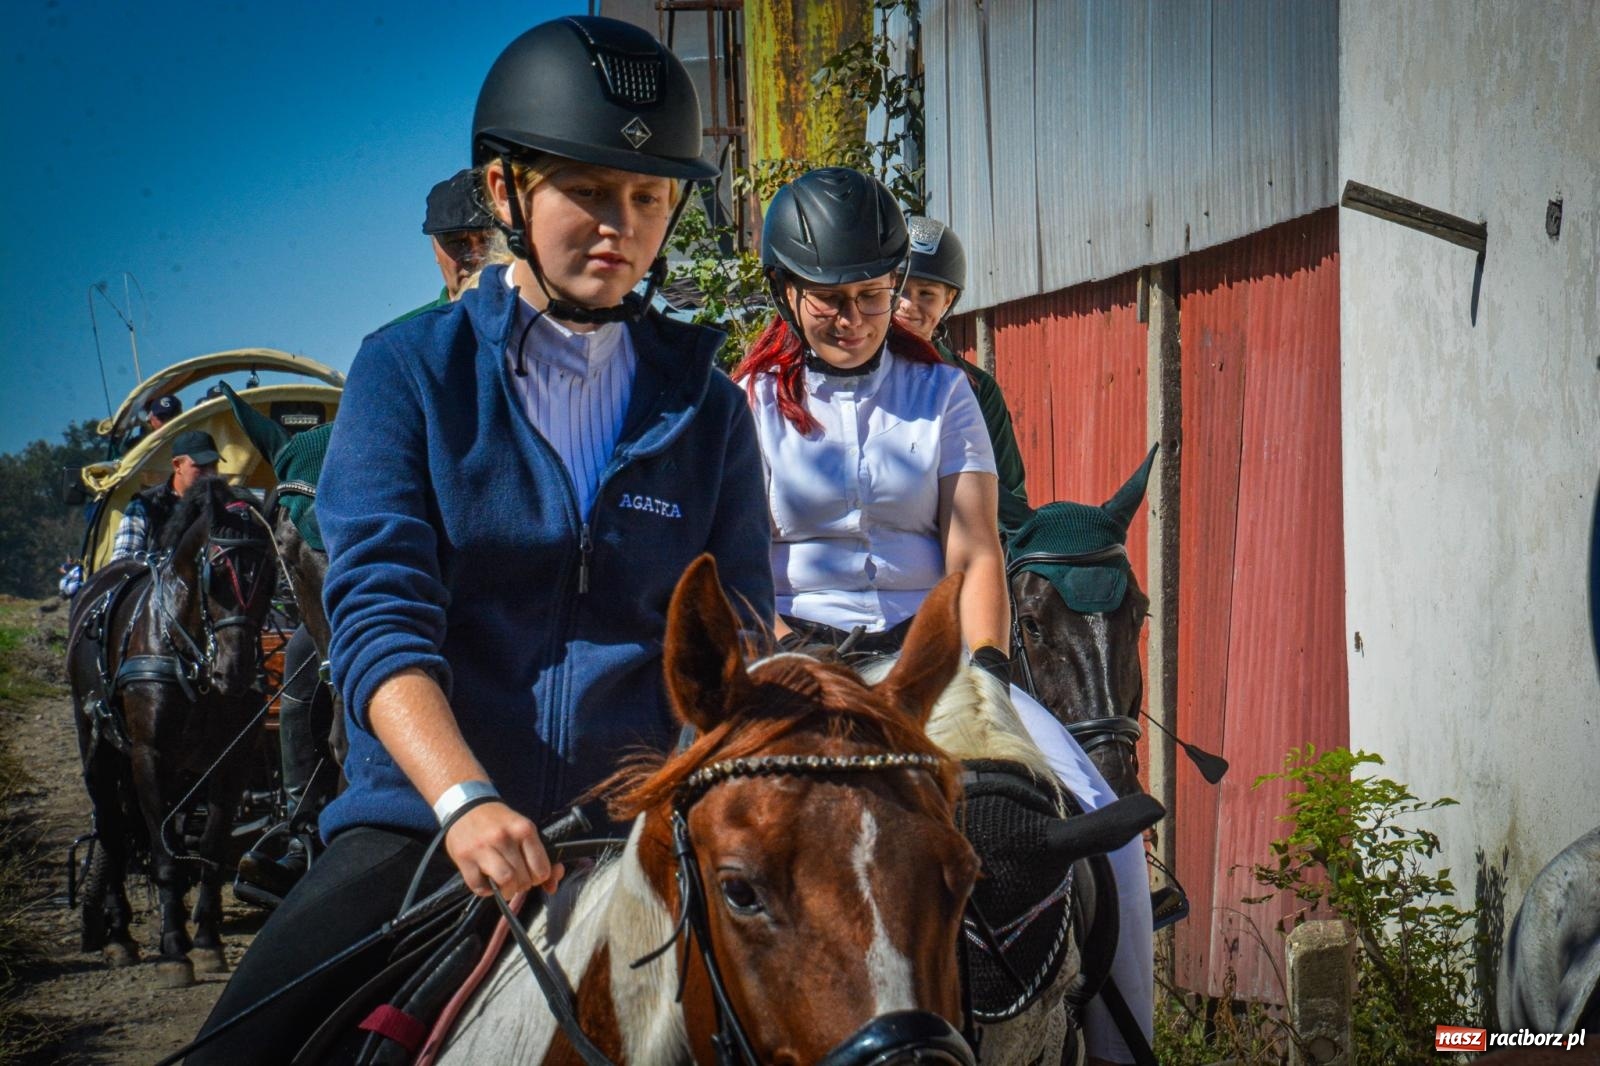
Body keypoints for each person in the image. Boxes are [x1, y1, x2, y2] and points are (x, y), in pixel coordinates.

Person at [189, 16, 772, 1064]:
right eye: (588, 191)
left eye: (648, 198)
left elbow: (737, 630)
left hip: (644, 825)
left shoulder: (711, 409)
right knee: (236, 1047)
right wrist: (465, 801)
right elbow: (375, 617)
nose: (622, 225)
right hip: (427, 823)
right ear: (504, 193)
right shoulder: (406, 374)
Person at [734, 166, 1153, 1065]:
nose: (851, 318)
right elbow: (746, 561)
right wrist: (782, 663)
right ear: (785, 294)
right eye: (827, 301)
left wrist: (993, 666)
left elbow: (973, 552)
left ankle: (1126, 1044)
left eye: (873, 296)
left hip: (936, 661)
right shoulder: (754, 403)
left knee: (1096, 815)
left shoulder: (946, 395)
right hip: (798, 661)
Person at [894, 217, 1031, 535]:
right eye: (898, 289)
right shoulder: (851, 378)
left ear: (949, 300)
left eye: (926, 293)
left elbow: (1009, 504)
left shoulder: (978, 391)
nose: (908, 305)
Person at [387, 168, 498, 326]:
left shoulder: (543, 326)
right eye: (457, 242)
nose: (476, 256)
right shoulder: (400, 342)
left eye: (489, 240)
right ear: (434, 248)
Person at [109, 429, 220, 561]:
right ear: (177, 465)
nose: (210, 473)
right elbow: (122, 563)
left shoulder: (225, 507)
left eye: (213, 465)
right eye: (200, 466)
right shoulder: (146, 505)